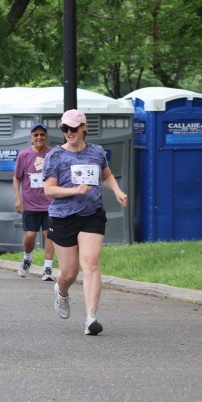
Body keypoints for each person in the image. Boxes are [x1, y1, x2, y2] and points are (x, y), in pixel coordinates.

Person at [44, 109, 128, 337]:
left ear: (84, 127)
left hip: (92, 214)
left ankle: (91, 317)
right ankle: (61, 291)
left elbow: (106, 175)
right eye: (65, 128)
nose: (69, 132)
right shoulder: (55, 156)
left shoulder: (96, 152)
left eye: (73, 128)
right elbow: (49, 190)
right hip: (63, 217)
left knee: (91, 263)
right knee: (69, 273)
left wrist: (118, 191)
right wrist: (74, 190)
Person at [13, 123, 56, 281]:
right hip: (30, 204)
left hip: (50, 204)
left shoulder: (52, 154)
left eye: (42, 134)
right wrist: (18, 198)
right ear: (30, 137)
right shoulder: (24, 155)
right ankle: (27, 259)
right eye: (36, 135)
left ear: (46, 137)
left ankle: (48, 268)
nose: (39, 137)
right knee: (30, 235)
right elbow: (16, 178)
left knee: (49, 235)